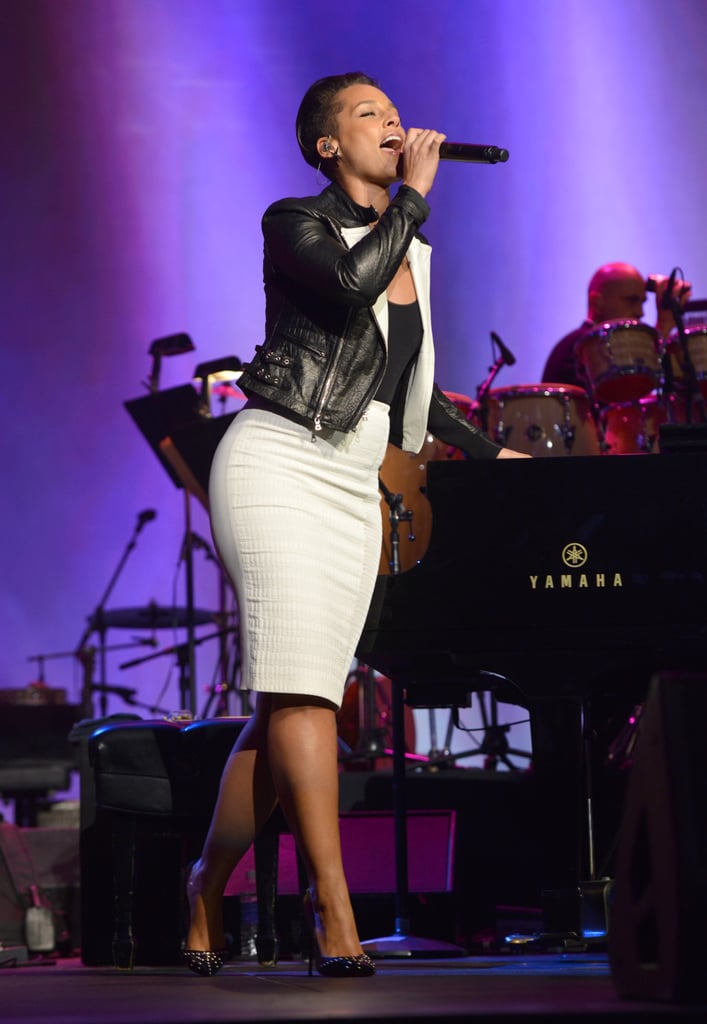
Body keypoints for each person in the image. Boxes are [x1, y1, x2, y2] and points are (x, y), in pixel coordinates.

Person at [183, 71, 529, 980]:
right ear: (328, 145)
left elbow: (412, 395)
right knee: (304, 694)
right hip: (276, 457)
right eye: (368, 115)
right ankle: (335, 917)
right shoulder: (294, 221)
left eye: (394, 111)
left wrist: (499, 459)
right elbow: (344, 285)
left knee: (293, 704)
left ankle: (206, 883)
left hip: (349, 481)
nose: (393, 122)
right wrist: (410, 200)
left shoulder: (413, 251)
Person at [541, 261, 692, 388]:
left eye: (642, 303)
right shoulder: (580, 346)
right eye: (631, 300)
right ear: (597, 303)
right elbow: (626, 390)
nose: (641, 313)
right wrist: (663, 327)